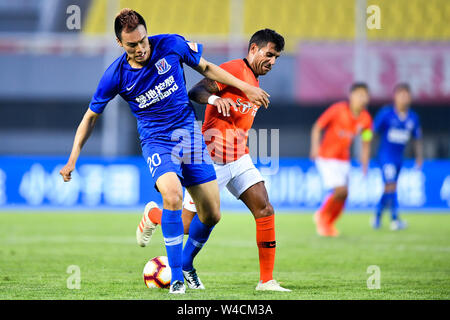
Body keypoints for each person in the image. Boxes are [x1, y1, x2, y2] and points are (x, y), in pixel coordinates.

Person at [59, 8, 270, 295]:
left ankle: (168, 240)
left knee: (211, 215)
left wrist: (245, 86)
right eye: (132, 45)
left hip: (189, 137)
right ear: (120, 45)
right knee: (173, 196)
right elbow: (90, 117)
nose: (140, 48)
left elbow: (206, 68)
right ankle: (176, 280)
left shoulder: (170, 44)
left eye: (143, 41)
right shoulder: (115, 75)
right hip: (157, 142)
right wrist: (73, 158)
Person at [137, 29, 290, 292]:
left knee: (265, 209)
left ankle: (266, 281)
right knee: (187, 223)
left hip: (239, 158)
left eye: (276, 57)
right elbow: (195, 91)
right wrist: (215, 97)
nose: (272, 61)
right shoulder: (234, 70)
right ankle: (153, 214)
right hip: (209, 158)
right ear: (253, 49)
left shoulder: (254, 80)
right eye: (269, 54)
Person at [310, 83, 373, 237]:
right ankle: (322, 217)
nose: (362, 98)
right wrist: (314, 148)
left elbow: (366, 141)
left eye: (365, 95)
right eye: (359, 95)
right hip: (327, 157)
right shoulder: (338, 110)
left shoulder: (366, 119)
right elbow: (318, 126)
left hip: (344, 160)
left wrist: (365, 163)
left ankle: (329, 223)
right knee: (340, 191)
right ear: (351, 96)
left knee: (344, 195)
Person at [372, 83, 423, 230]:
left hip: (399, 158)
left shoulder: (413, 117)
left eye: (407, 95)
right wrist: (366, 149)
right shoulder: (386, 114)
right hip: (385, 156)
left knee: (389, 187)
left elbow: (417, 139)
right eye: (401, 95)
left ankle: (377, 216)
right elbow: (373, 132)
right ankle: (395, 219)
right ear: (395, 97)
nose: (404, 98)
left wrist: (419, 157)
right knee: (391, 184)